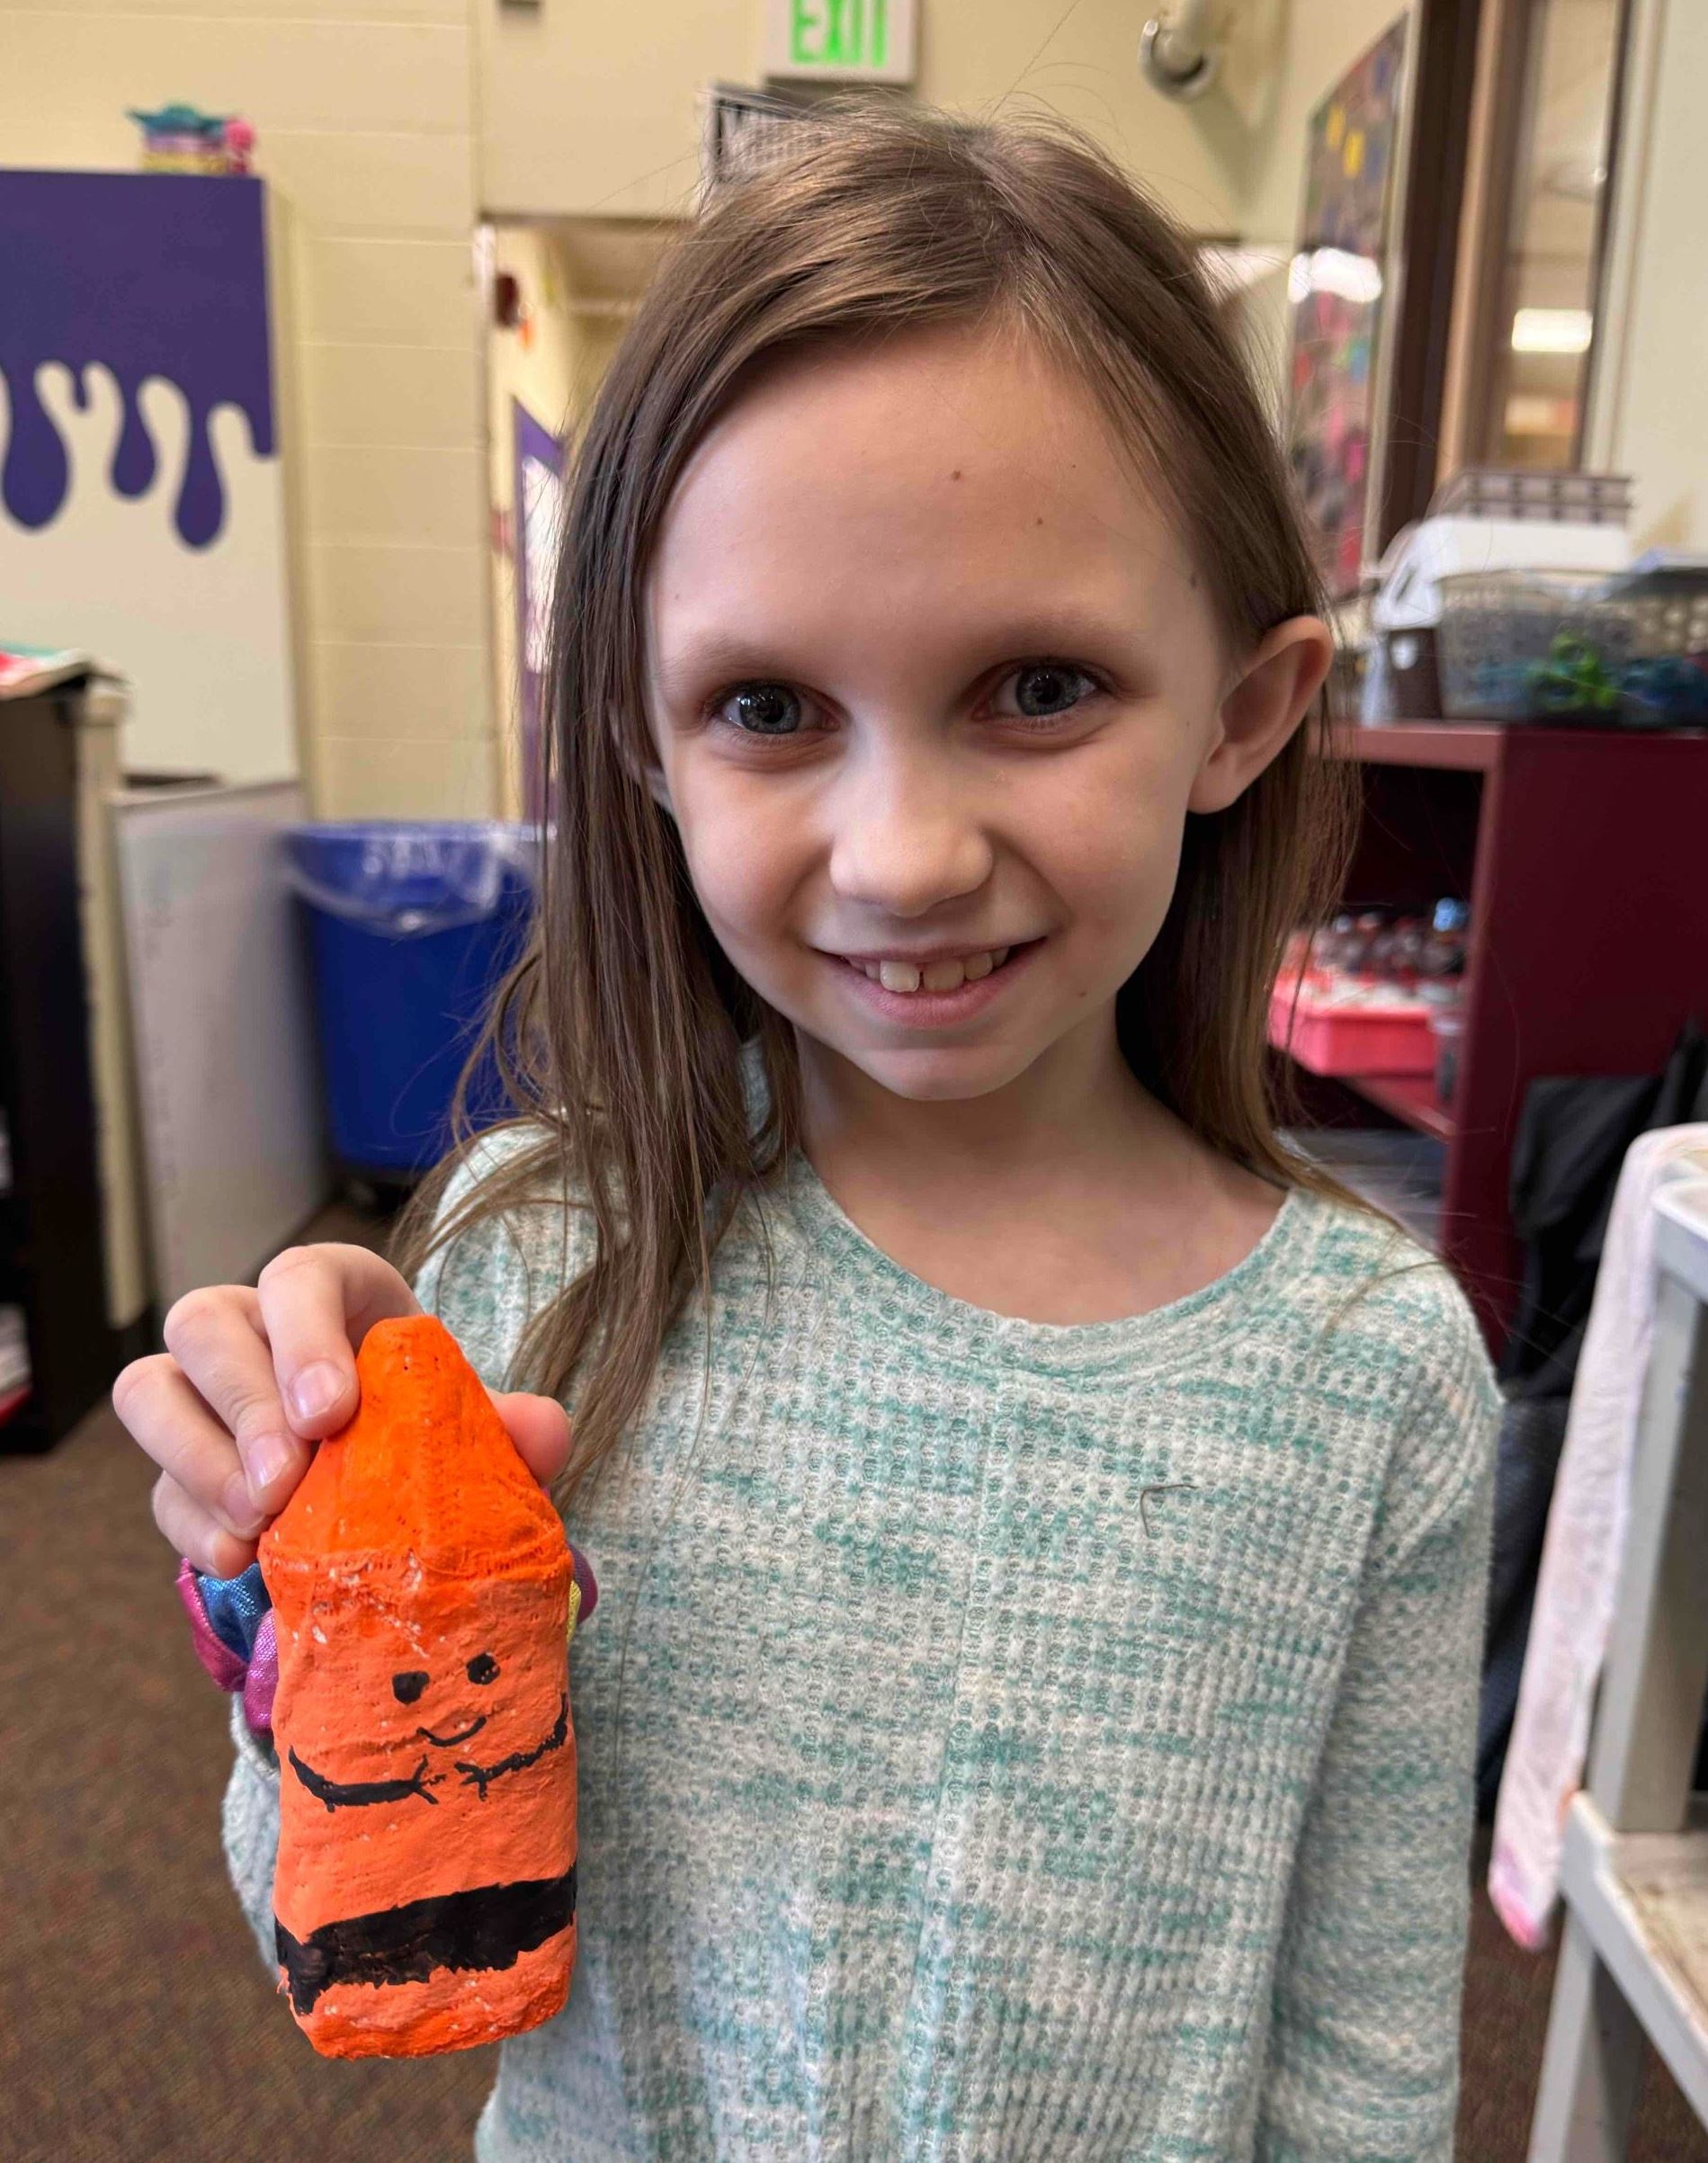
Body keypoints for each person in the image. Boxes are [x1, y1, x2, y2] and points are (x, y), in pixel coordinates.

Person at [113, 103, 1500, 2163]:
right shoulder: (531, 1267)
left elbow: (1365, 2065)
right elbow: (351, 1934)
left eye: (1036, 685)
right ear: (641, 740)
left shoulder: (1366, 1376)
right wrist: (289, 1574)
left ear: (1239, 709)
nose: (902, 853)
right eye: (766, 708)